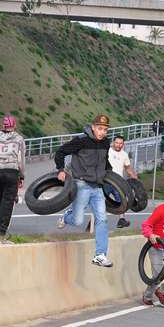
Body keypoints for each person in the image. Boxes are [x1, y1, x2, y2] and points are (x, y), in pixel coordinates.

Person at [54, 114, 113, 267]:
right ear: (93, 127)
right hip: (81, 184)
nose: (102, 132)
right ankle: (67, 217)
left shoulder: (105, 143)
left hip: (97, 186)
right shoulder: (81, 141)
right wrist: (60, 169)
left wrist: (111, 174)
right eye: (100, 128)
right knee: (78, 220)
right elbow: (60, 152)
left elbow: (104, 161)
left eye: (105, 130)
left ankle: (100, 255)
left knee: (102, 220)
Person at [0, 116, 25, 237]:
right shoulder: (19, 139)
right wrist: (21, 176)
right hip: (12, 171)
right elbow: (21, 159)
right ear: (14, 125)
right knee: (8, 200)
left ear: (3, 126)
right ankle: (2, 228)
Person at [107, 135, 138, 228]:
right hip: (106, 181)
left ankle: (121, 220)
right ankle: (91, 221)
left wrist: (134, 177)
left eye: (121, 143)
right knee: (98, 200)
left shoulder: (124, 154)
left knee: (122, 201)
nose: (118, 145)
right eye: (117, 143)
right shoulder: (107, 151)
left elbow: (128, 168)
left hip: (118, 182)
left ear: (123, 144)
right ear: (113, 143)